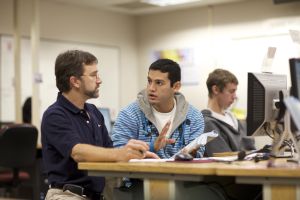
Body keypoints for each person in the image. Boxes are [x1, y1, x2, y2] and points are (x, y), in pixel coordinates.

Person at [41, 50, 158, 200]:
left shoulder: (93, 112)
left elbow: (109, 151)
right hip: (68, 195)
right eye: (93, 75)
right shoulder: (55, 115)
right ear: (75, 81)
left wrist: (135, 156)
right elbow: (78, 152)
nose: (99, 80)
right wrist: (121, 154)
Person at [112, 58, 205, 159]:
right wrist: (152, 147)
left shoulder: (194, 117)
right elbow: (118, 153)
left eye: (159, 83)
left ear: (176, 86)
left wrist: (191, 154)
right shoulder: (129, 114)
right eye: (149, 81)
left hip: (181, 174)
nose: (151, 88)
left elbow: (199, 154)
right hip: (141, 174)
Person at [202, 69, 255, 157]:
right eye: (231, 91)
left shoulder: (234, 119)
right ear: (216, 89)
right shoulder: (207, 123)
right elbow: (224, 158)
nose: (235, 96)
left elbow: (251, 150)